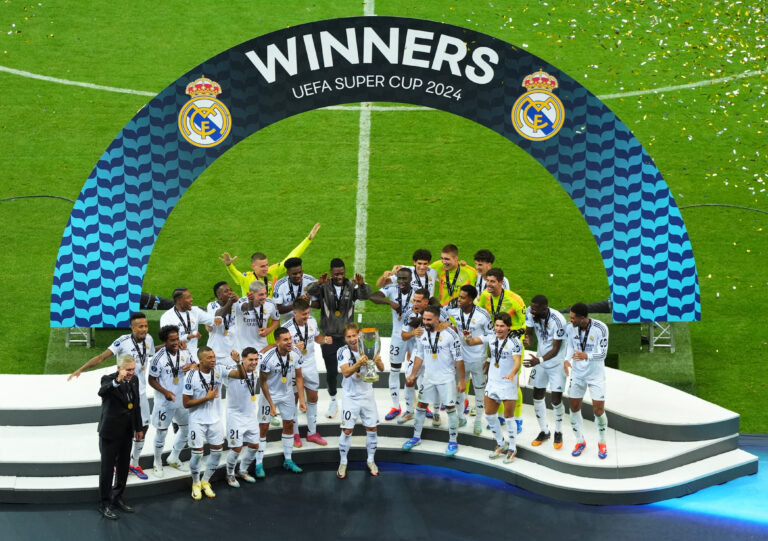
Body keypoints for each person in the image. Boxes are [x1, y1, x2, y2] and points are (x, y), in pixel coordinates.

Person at [70, 312, 154, 480]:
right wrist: (81, 369)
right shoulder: (122, 341)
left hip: (141, 391)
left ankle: (134, 462)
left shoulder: (149, 339)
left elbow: (149, 353)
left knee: (143, 426)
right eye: (140, 326)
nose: (144, 329)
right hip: (122, 392)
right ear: (132, 328)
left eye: (145, 326)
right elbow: (102, 357)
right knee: (121, 428)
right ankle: (117, 462)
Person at [306, 258, 372, 418]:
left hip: (347, 338)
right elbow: (310, 291)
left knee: (355, 368)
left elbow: (366, 295)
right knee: (331, 372)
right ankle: (333, 400)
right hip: (329, 337)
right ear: (331, 273)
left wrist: (362, 285)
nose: (339, 277)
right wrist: (318, 283)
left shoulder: (351, 285)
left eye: (342, 273)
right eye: (336, 274)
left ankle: (357, 399)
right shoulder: (324, 286)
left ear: (345, 272)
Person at [182, 346, 247, 500]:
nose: (213, 360)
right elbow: (186, 403)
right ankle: (196, 483)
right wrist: (206, 398)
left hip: (215, 419)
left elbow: (241, 375)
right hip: (197, 420)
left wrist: (238, 362)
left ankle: (206, 481)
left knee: (217, 452)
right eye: (209, 358)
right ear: (200, 360)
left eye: (214, 357)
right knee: (197, 455)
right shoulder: (191, 376)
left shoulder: (219, 368)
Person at [401, 306, 465, 456]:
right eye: (424, 319)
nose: (425, 322)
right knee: (421, 405)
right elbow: (420, 355)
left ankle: (453, 441)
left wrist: (462, 380)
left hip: (446, 378)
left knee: (450, 408)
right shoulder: (421, 333)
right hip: (428, 377)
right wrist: (413, 374)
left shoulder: (450, 334)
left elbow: (459, 359)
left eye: (429, 319)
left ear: (437, 319)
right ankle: (416, 437)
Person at [466, 313, 523, 463]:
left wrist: (512, 374)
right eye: (497, 325)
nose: (498, 329)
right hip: (492, 383)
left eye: (502, 326)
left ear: (509, 327)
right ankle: (500, 443)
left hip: (507, 383)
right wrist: (467, 337)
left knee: (509, 418)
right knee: (490, 415)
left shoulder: (515, 342)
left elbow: (517, 361)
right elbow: (472, 342)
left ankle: (512, 447)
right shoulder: (491, 336)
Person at [476, 267, 526, 433]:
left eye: (492, 281)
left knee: (513, 382)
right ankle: (499, 416)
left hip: (512, 345)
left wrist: (517, 334)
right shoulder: (485, 296)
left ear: (501, 282)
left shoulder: (514, 299)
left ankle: (517, 419)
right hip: (495, 342)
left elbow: (526, 323)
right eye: (487, 281)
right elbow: (478, 313)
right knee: (495, 380)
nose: (489, 284)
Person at [97, 354, 143, 520]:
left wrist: (138, 428)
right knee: (107, 469)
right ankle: (104, 503)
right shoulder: (108, 379)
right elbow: (102, 392)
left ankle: (117, 497)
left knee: (123, 467)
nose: (131, 372)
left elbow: (136, 405)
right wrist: (117, 381)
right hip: (110, 433)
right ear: (119, 368)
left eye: (133, 369)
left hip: (127, 432)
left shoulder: (135, 380)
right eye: (128, 369)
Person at [281, 297, 332, 447]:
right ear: (295, 313)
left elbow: (316, 337)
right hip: (293, 365)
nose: (307, 316)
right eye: (304, 314)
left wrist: (324, 340)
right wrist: (293, 348)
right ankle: (295, 434)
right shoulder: (286, 328)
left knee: (313, 397)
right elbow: (281, 350)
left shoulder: (312, 321)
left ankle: (312, 433)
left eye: (308, 313)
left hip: (310, 364)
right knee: (294, 399)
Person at [219, 223, 321, 297]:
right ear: (253, 267)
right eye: (262, 266)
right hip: (251, 317)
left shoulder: (272, 272)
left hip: (271, 317)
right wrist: (229, 265)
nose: (266, 268)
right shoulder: (246, 279)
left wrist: (308, 239)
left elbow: (290, 258)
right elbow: (236, 274)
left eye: (267, 265)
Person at [336, 323, 385, 478]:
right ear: (345, 338)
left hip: (367, 396)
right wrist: (359, 363)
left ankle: (371, 460)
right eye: (348, 336)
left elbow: (382, 368)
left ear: (359, 335)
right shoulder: (342, 351)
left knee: (372, 429)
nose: (352, 339)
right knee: (347, 430)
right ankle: (343, 462)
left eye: (354, 336)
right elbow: (345, 373)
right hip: (350, 397)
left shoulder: (368, 347)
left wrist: (377, 361)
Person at [148, 325, 196, 477]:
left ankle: (174, 457)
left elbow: (196, 364)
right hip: (164, 401)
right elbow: (151, 380)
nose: (176, 342)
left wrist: (192, 366)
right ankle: (157, 462)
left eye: (177, 339)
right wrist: (165, 392)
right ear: (164, 341)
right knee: (162, 432)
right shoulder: (158, 358)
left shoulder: (185, 351)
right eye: (172, 340)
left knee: (186, 430)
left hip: (182, 399)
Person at [257, 328, 307, 474]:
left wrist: (302, 400)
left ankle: (288, 459)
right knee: (263, 427)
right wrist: (271, 405)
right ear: (277, 342)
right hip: (269, 395)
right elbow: (262, 383)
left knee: (289, 424)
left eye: (290, 338)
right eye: (285, 340)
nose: (290, 342)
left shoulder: (296, 353)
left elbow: (299, 377)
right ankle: (258, 463)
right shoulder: (268, 358)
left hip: (287, 394)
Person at [564, 302, 610, 459]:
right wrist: (566, 359)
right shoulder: (570, 328)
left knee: (598, 411)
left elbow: (602, 354)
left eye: (572, 318)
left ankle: (602, 442)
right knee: (574, 407)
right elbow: (570, 346)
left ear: (582, 318)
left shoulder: (601, 328)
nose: (570, 320)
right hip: (577, 374)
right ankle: (580, 441)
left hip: (596, 375)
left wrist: (586, 355)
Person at [369, 267, 415, 421]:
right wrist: (390, 302)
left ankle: (418, 406)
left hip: (415, 337)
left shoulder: (417, 292)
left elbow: (432, 303)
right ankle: (396, 406)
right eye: (399, 278)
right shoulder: (391, 289)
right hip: (397, 337)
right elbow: (373, 297)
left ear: (411, 279)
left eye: (405, 279)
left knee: (417, 372)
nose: (401, 281)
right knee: (394, 371)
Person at [446, 285, 492, 435]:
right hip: (461, 358)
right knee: (460, 388)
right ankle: (460, 417)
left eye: (462, 297)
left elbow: (492, 335)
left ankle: (478, 420)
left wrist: (476, 340)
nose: (459, 299)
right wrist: (450, 326)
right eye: (459, 296)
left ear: (471, 300)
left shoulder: (483, 315)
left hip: (478, 359)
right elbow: (439, 313)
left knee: (479, 391)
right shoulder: (453, 310)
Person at [524, 295, 568, 449]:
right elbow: (529, 331)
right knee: (537, 395)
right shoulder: (530, 312)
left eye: (535, 309)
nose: (531, 311)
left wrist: (539, 360)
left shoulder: (558, 321)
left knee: (556, 400)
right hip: (540, 360)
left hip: (556, 363)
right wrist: (528, 339)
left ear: (544, 309)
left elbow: (556, 349)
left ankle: (558, 432)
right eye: (531, 307)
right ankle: (544, 431)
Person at [221, 347, 262, 487]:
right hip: (235, 416)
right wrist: (237, 362)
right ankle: (230, 474)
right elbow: (241, 375)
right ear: (243, 359)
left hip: (250, 414)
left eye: (256, 359)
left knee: (255, 445)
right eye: (251, 360)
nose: (254, 362)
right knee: (236, 448)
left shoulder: (255, 368)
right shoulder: (231, 370)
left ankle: (242, 470)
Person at [159, 288, 222, 358]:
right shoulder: (167, 317)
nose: (191, 299)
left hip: (193, 356)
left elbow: (213, 320)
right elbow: (168, 341)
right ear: (179, 300)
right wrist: (188, 336)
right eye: (188, 297)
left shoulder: (195, 311)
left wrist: (217, 319)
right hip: (176, 357)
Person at [234, 280, 280, 352]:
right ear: (251, 294)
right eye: (261, 294)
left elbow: (276, 319)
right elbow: (244, 308)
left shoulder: (270, 303)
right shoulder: (241, 302)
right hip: (242, 347)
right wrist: (251, 302)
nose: (264, 297)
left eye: (265, 293)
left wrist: (269, 330)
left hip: (262, 346)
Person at [206, 281, 239, 364]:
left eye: (231, 290)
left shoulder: (235, 304)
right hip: (216, 352)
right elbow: (218, 314)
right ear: (219, 296)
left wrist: (240, 301)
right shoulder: (212, 305)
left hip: (233, 351)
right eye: (226, 291)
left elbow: (247, 307)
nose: (230, 292)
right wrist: (230, 302)